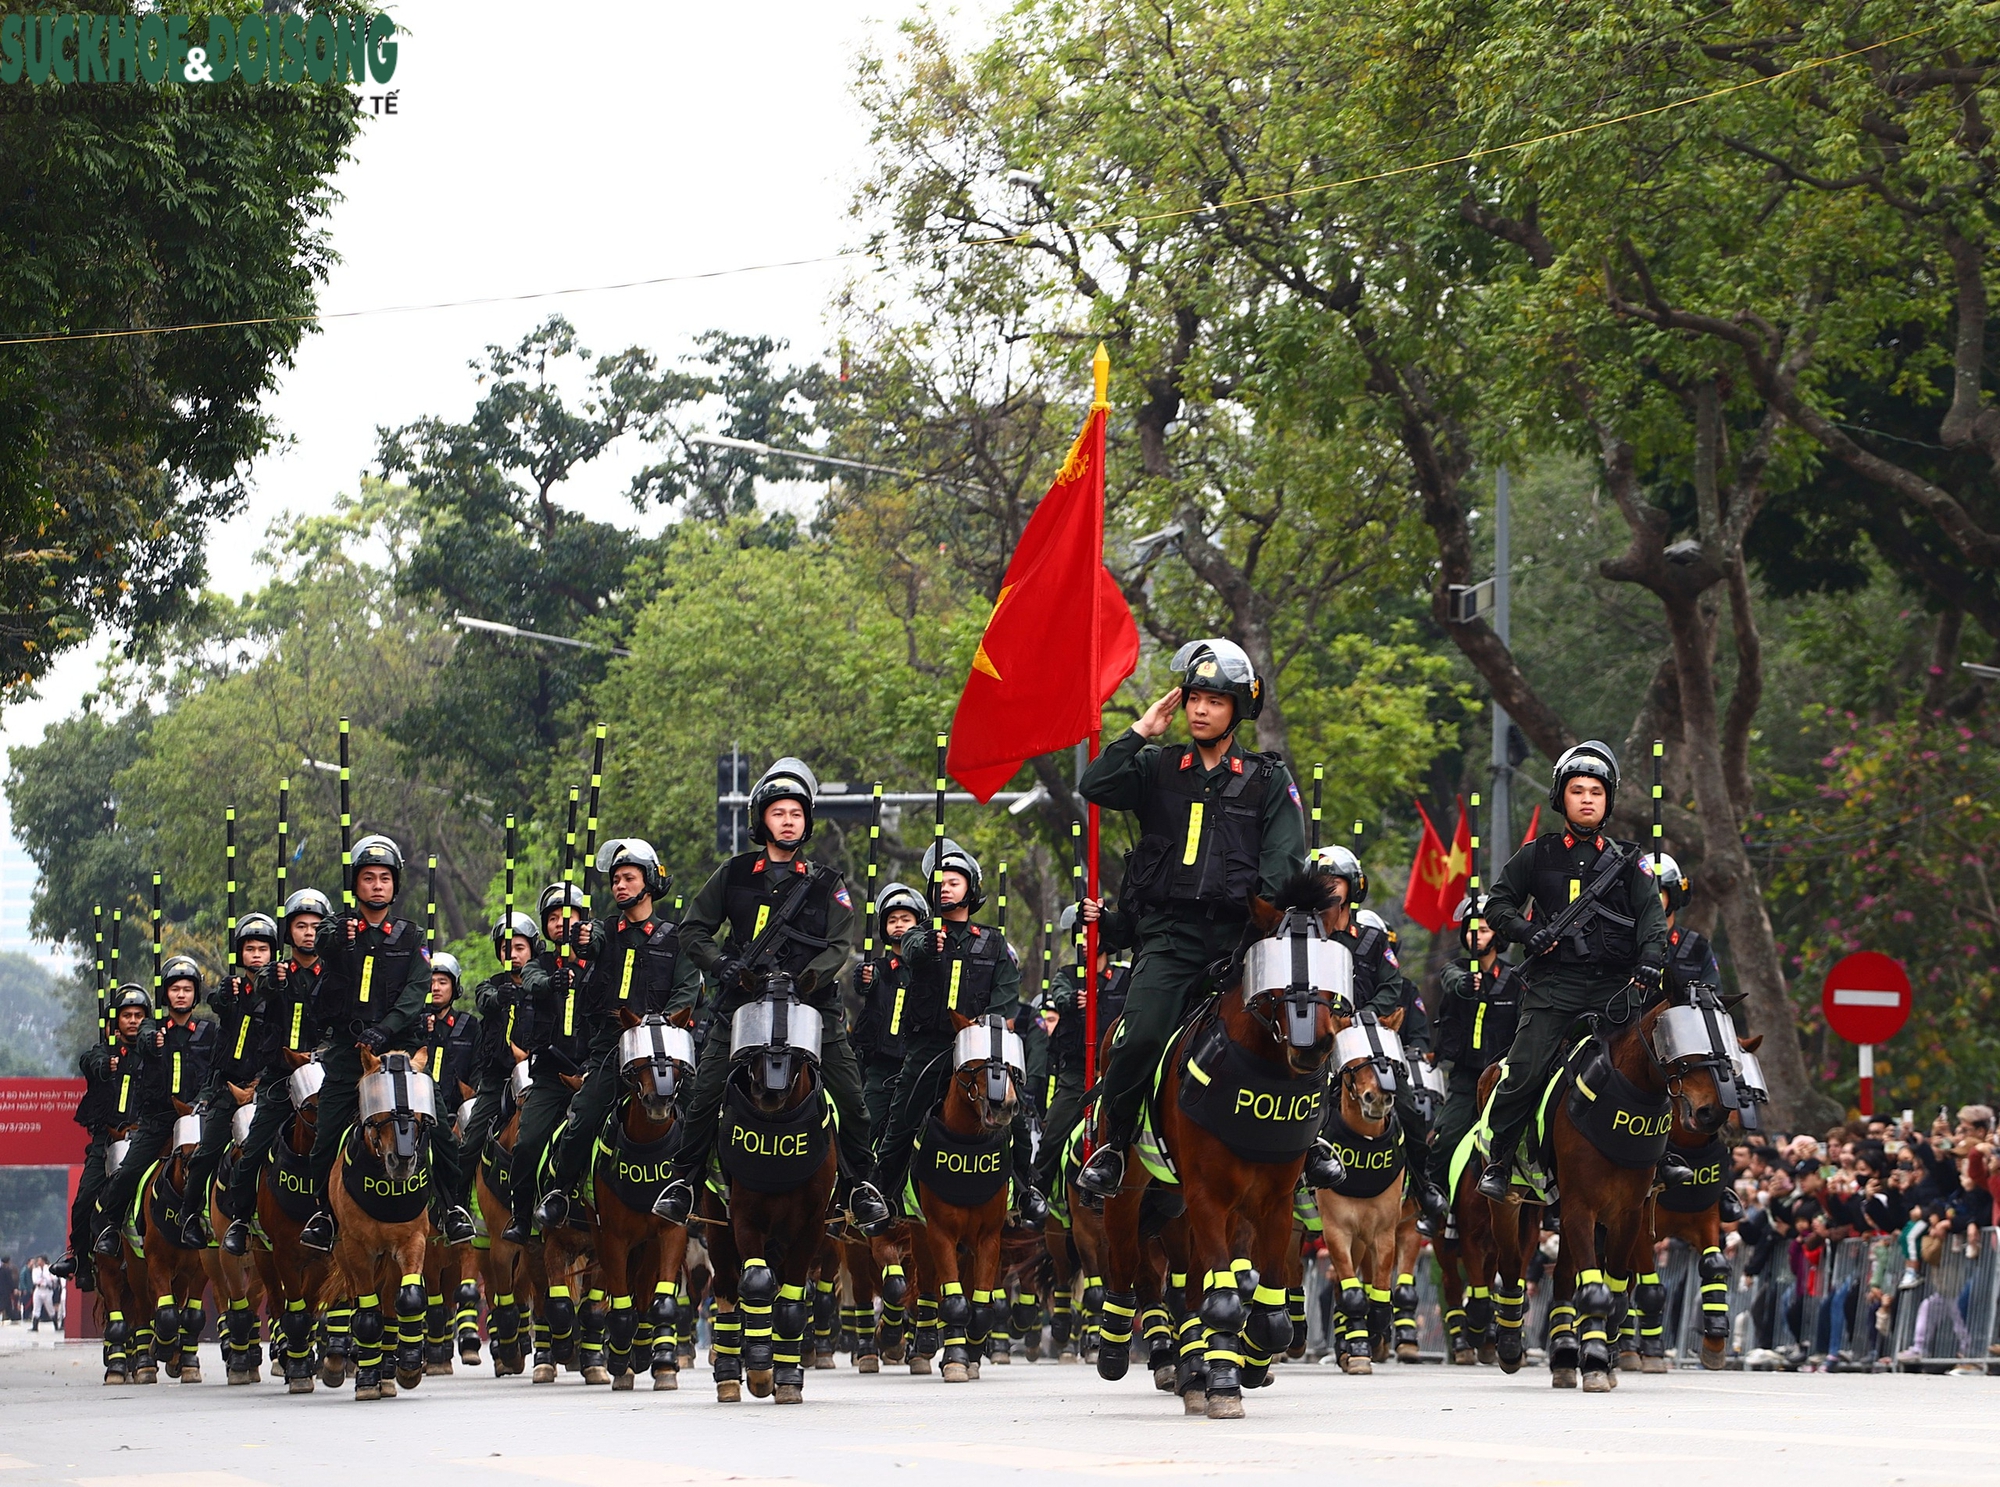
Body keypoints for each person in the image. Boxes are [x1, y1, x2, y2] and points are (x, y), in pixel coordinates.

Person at [1075, 638, 1308, 1200]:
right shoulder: (1157, 767)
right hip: (1171, 939)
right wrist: (1140, 732)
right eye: (1195, 698)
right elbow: (1095, 785)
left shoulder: (1267, 778)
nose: (1201, 710)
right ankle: (1114, 1142)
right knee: (1139, 1037)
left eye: (1216, 701)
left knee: (1306, 1026)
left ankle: (1311, 1144)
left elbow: (1282, 859)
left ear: (1238, 710)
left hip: (1244, 942)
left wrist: (1264, 917)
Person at [653, 758, 889, 1233]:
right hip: (743, 1004)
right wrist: (722, 965)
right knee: (703, 1094)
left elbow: (842, 944)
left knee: (851, 1098)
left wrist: (808, 980)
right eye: (779, 812)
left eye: (796, 814)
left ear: (806, 822)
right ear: (762, 820)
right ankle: (682, 1182)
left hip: (812, 1007)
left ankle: (862, 1185)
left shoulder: (828, 883)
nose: (788, 820)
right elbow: (694, 930)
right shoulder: (734, 873)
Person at [1474, 741, 1674, 1202]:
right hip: (1553, 987)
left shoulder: (1631, 862)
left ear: (1608, 802)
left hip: (1616, 989)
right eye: (1578, 790)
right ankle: (1502, 1157)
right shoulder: (1535, 855)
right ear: (1560, 797)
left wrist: (1649, 960)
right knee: (1523, 1070)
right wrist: (1527, 933)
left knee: (1657, 1064)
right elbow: (1498, 904)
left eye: (1596, 792)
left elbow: (1652, 920)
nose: (1587, 799)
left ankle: (1663, 1155)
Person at [303, 836, 473, 1251]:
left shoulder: (411, 936)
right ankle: (322, 1216)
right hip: (349, 1054)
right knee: (325, 1133)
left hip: (403, 1051)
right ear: (356, 885)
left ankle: (451, 1207)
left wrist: (388, 1027)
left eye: (384, 878)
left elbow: (417, 990)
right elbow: (319, 944)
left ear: (394, 886)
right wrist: (335, 935)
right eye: (367, 878)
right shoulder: (337, 931)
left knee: (442, 1129)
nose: (376, 885)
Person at [534, 843, 703, 1231]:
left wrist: (658, 1025)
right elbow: (589, 944)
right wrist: (580, 939)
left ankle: (701, 1189)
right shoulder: (603, 931)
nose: (620, 886)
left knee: (703, 1111)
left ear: (649, 882)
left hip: (665, 1049)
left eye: (629, 878)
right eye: (615, 880)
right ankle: (562, 1190)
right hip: (613, 1049)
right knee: (582, 1116)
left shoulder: (676, 939)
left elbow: (685, 992)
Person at [873, 839, 1041, 1225]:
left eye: (955, 880)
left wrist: (987, 1026)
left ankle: (1024, 1186)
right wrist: (928, 943)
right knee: (904, 1109)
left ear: (971, 888)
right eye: (940, 882)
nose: (946, 886)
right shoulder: (921, 934)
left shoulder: (994, 942)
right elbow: (912, 950)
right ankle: (883, 1188)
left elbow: (1005, 995)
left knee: (1013, 1110)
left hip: (981, 1047)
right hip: (930, 1044)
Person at [220, 890, 331, 1256]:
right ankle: (240, 1217)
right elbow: (258, 992)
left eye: (316, 926)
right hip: (282, 1078)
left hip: (327, 1078)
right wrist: (274, 980)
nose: (309, 933)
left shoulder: (335, 974)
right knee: (251, 1147)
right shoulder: (274, 973)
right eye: (300, 926)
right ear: (289, 933)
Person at [182, 917, 280, 1248]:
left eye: (263, 949)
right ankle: (190, 1215)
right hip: (228, 1089)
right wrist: (226, 991)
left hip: (269, 1086)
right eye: (249, 949)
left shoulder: (282, 991)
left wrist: (258, 1084)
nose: (256, 955)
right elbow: (218, 1004)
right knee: (206, 1153)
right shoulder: (232, 991)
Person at [457, 895, 553, 1231]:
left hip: (540, 1076)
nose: (511, 954)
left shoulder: (543, 985)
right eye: (505, 948)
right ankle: (456, 1207)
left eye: (519, 948)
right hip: (498, 1080)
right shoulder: (492, 986)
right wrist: (501, 998)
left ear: (533, 950)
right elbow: (484, 999)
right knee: (468, 1139)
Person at [1032, 897, 1132, 1198]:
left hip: (1117, 1073)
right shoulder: (1068, 975)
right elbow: (1058, 995)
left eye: (1092, 933)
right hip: (1077, 1074)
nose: (1086, 941)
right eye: (1081, 935)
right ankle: (1037, 1193)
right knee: (1053, 1136)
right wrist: (1074, 1000)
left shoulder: (1126, 976)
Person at [1427, 894, 1521, 1204]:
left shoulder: (1516, 981)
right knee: (1444, 1139)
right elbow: (1452, 979)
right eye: (1471, 929)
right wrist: (1465, 984)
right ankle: (1435, 1198)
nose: (1476, 936)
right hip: (1466, 1080)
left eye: (1483, 929)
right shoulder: (1455, 971)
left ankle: (1548, 1208)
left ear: (1497, 935)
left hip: (1503, 1081)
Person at [84, 984, 173, 1258]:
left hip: (149, 1129)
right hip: (110, 1138)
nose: (133, 1021)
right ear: (116, 1022)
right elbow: (89, 1062)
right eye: (126, 1015)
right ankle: (81, 1257)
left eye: (138, 1015)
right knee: (86, 1194)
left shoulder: (158, 1049)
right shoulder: (105, 1052)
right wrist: (103, 1067)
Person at [850, 881, 926, 1140]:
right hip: (881, 1067)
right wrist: (864, 978)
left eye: (906, 918)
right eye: (892, 919)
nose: (899, 924)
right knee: (866, 1127)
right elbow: (864, 983)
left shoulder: (930, 970)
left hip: (919, 1065)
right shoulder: (878, 968)